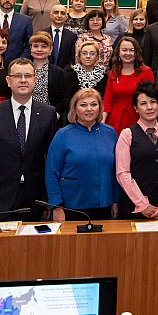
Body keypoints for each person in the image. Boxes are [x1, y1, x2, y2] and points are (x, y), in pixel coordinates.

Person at [0, 59, 59, 221]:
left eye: (28, 76)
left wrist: (52, 202)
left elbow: (53, 160)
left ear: (35, 80)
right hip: (0, 198)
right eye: (17, 76)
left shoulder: (48, 113)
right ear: (8, 81)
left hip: (37, 200)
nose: (23, 80)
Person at [46, 89, 120, 221]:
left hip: (104, 204)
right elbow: (51, 172)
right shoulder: (62, 135)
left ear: (100, 108)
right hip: (71, 206)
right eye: (83, 105)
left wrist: (116, 200)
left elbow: (116, 171)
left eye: (94, 104)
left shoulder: (110, 133)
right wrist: (56, 206)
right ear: (75, 108)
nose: (89, 109)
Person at [115, 83, 158, 219]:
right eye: (143, 103)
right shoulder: (127, 134)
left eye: (153, 102)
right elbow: (122, 173)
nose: (149, 107)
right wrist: (142, 204)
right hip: (134, 208)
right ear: (136, 108)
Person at [103, 36, 155, 135]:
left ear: (136, 53)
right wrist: (102, 121)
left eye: (131, 50)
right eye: (124, 50)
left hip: (139, 118)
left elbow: (151, 99)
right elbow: (107, 100)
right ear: (118, 52)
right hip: (115, 119)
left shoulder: (146, 72)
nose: (128, 53)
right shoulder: (113, 73)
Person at [29, 31, 68, 120]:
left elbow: (63, 97)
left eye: (44, 46)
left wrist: (57, 113)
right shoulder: (23, 69)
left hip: (50, 116)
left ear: (50, 50)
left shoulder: (59, 72)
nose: (39, 49)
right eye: (35, 46)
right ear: (31, 49)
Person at [63, 40, 109, 105]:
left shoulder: (104, 77)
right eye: (84, 53)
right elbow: (66, 100)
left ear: (97, 57)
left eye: (92, 53)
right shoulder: (70, 75)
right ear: (79, 56)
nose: (88, 56)